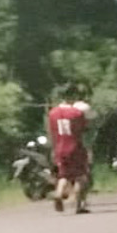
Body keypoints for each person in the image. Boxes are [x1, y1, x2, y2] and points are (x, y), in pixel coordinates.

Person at [47, 86, 90, 214]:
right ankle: (78, 205)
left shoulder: (52, 113)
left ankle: (59, 193)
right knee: (81, 177)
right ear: (74, 96)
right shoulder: (77, 113)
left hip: (59, 147)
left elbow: (51, 131)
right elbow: (84, 129)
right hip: (74, 147)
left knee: (64, 175)